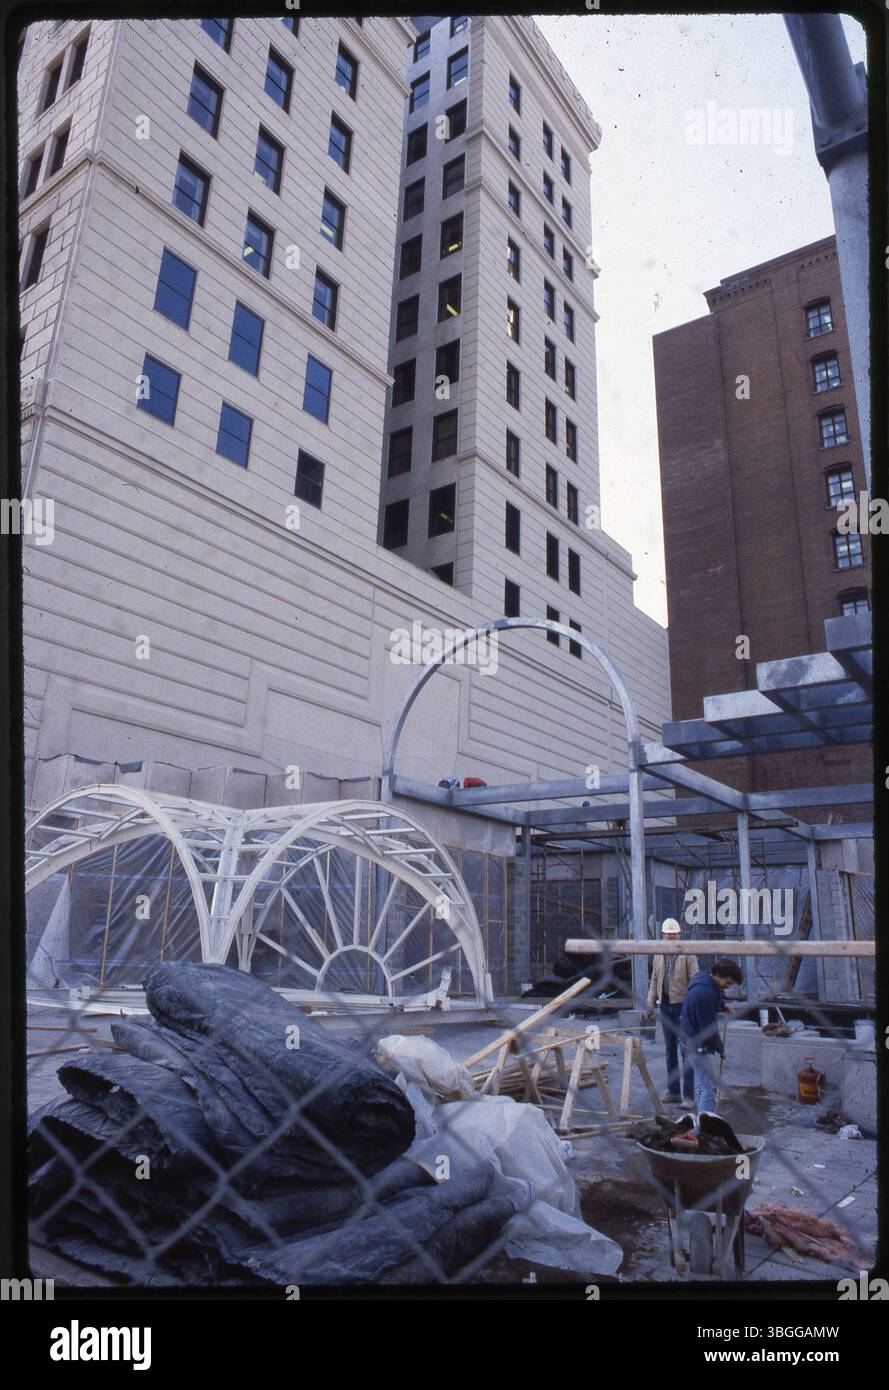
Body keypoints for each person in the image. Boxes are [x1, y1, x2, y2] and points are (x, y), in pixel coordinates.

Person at [679, 958, 744, 1114]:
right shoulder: (705, 993)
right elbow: (708, 1030)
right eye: (727, 983)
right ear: (717, 975)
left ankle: (703, 1120)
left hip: (687, 1035)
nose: (727, 987)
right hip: (695, 1042)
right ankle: (706, 1126)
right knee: (709, 1086)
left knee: (704, 1084)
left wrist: (722, 1004)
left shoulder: (702, 978)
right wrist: (720, 1049)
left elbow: (712, 998)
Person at [646, 918, 697, 1109]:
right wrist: (650, 1003)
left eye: (673, 934)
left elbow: (695, 979)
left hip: (682, 1006)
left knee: (686, 1051)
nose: (670, 937)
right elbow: (654, 978)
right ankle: (674, 1091)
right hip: (665, 1005)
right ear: (663, 935)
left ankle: (689, 1095)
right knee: (670, 1050)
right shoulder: (659, 953)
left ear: (679, 935)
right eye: (667, 934)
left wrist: (692, 1007)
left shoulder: (688, 954)